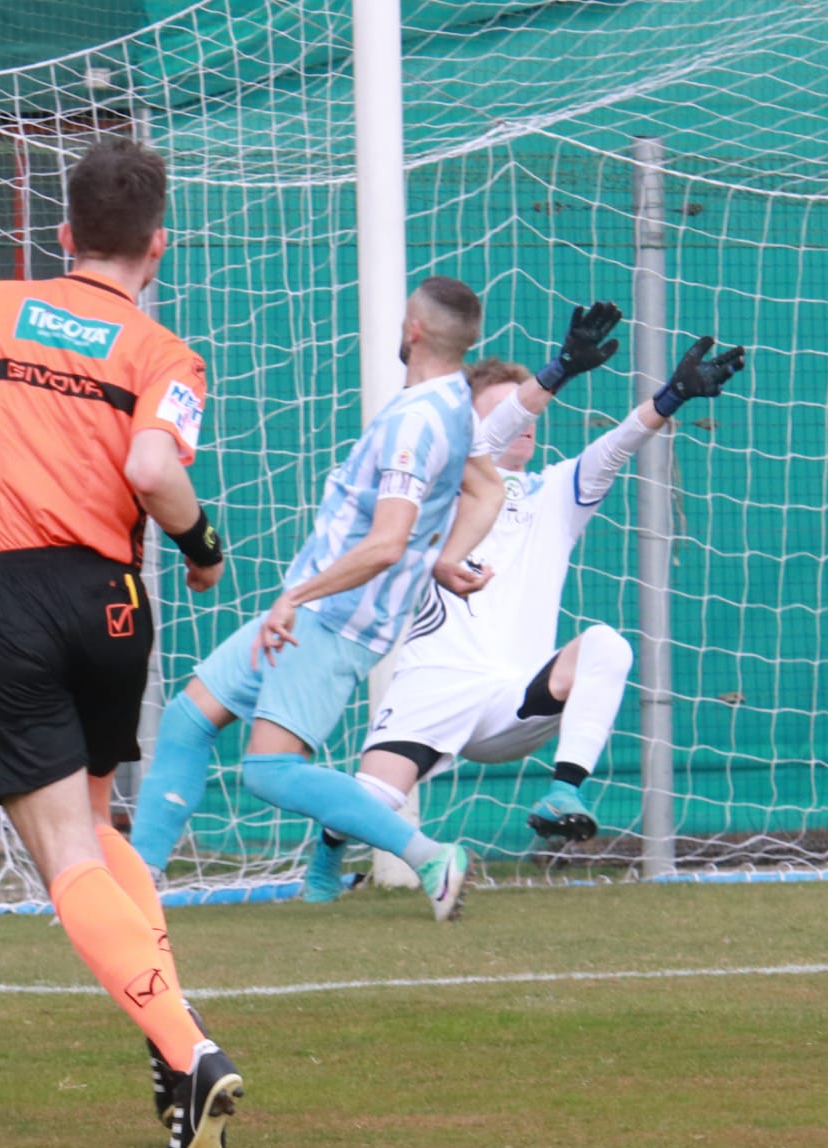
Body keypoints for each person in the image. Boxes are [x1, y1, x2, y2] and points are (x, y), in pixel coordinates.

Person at [0, 136, 242, 1148]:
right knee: (91, 820)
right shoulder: (164, 354)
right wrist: (202, 550)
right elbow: (152, 466)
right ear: (156, 248)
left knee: (59, 856)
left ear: (63, 231)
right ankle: (174, 1052)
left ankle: (190, 1045)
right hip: (113, 604)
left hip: (7, 596)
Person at [303, 324, 748, 899]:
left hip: (516, 700)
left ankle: (565, 792)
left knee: (608, 645)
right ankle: (323, 864)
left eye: (528, 405)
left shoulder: (557, 492)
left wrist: (671, 398)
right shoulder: (447, 485)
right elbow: (487, 437)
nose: (526, 417)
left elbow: (614, 448)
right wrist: (555, 372)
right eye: (507, 407)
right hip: (434, 687)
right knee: (367, 803)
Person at [126, 277, 517, 923]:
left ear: (413, 329)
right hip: (322, 606)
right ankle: (137, 886)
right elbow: (488, 493)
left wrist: (298, 595)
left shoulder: (419, 421)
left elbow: (388, 541)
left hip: (333, 614)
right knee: (189, 719)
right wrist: (446, 558)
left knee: (270, 773)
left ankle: (429, 857)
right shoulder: (451, 401)